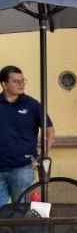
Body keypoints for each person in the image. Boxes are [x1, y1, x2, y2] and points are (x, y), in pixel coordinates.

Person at [0, 66, 54, 203]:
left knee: (21, 210)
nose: (21, 84)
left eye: (22, 80)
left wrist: (43, 156)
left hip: (23, 167)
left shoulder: (32, 105)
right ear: (4, 84)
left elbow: (50, 129)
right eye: (16, 81)